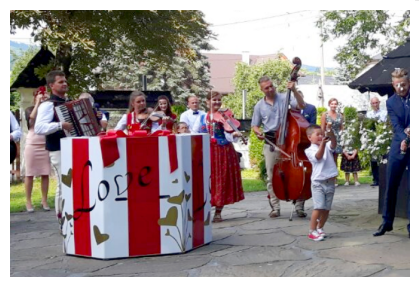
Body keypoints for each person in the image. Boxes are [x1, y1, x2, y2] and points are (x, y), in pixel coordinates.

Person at [251, 76, 306, 218]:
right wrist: (258, 132)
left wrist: (294, 90)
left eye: (271, 86)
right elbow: (254, 125)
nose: (270, 89)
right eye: (266, 88)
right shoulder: (259, 106)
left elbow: (301, 106)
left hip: (289, 142)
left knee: (298, 173)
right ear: (261, 89)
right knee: (271, 176)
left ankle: (299, 206)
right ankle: (275, 207)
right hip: (271, 142)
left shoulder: (285, 97)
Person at [194, 91, 244, 222]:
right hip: (207, 152)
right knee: (206, 181)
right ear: (207, 102)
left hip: (223, 151)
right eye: (213, 100)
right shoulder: (202, 118)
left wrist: (234, 135)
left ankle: (218, 212)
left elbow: (228, 134)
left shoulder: (225, 117)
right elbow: (195, 132)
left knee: (221, 180)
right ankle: (205, 210)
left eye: (218, 100)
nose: (216, 102)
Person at [374, 68, 410, 237]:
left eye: (403, 84)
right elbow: (396, 125)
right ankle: (387, 222)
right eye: (397, 85)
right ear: (393, 85)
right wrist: (404, 138)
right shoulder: (391, 103)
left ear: (408, 83)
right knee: (391, 184)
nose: (401, 88)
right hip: (399, 145)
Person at [35, 70, 73, 221]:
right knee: (63, 184)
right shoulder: (48, 105)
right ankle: (61, 219)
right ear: (51, 85)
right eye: (61, 82)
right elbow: (39, 128)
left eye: (65, 81)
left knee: (73, 183)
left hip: (71, 147)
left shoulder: (68, 102)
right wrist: (60, 125)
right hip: (57, 148)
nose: (65, 84)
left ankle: (70, 216)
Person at [304, 124, 338, 241]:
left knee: (327, 209)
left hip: (330, 181)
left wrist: (331, 133)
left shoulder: (327, 145)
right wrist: (323, 143)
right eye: (317, 135)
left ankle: (320, 227)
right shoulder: (309, 150)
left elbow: (333, 144)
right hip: (318, 183)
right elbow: (318, 156)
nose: (320, 137)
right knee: (318, 207)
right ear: (310, 137)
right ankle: (311, 231)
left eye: (321, 134)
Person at [24, 87, 51, 212]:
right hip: (32, 145)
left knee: (45, 173)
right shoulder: (30, 109)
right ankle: (28, 201)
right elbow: (32, 119)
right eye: (39, 95)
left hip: (44, 144)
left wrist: (48, 102)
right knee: (29, 174)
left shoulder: (47, 109)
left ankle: (44, 200)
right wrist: (38, 104)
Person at [321, 98, 344, 187]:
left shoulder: (340, 116)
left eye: (335, 104)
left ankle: (334, 178)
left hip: (338, 137)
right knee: (328, 158)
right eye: (332, 104)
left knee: (335, 158)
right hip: (329, 137)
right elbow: (322, 128)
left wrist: (343, 138)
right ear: (329, 105)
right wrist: (324, 138)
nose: (334, 105)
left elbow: (342, 127)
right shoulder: (325, 115)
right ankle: (328, 176)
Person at [366, 97, 388, 187]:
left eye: (376, 103)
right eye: (373, 103)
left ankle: (384, 178)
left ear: (379, 103)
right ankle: (375, 179)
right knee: (374, 160)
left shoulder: (384, 113)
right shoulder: (369, 114)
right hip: (372, 138)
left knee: (383, 159)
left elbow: (386, 125)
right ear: (371, 104)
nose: (375, 105)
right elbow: (366, 125)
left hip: (382, 137)